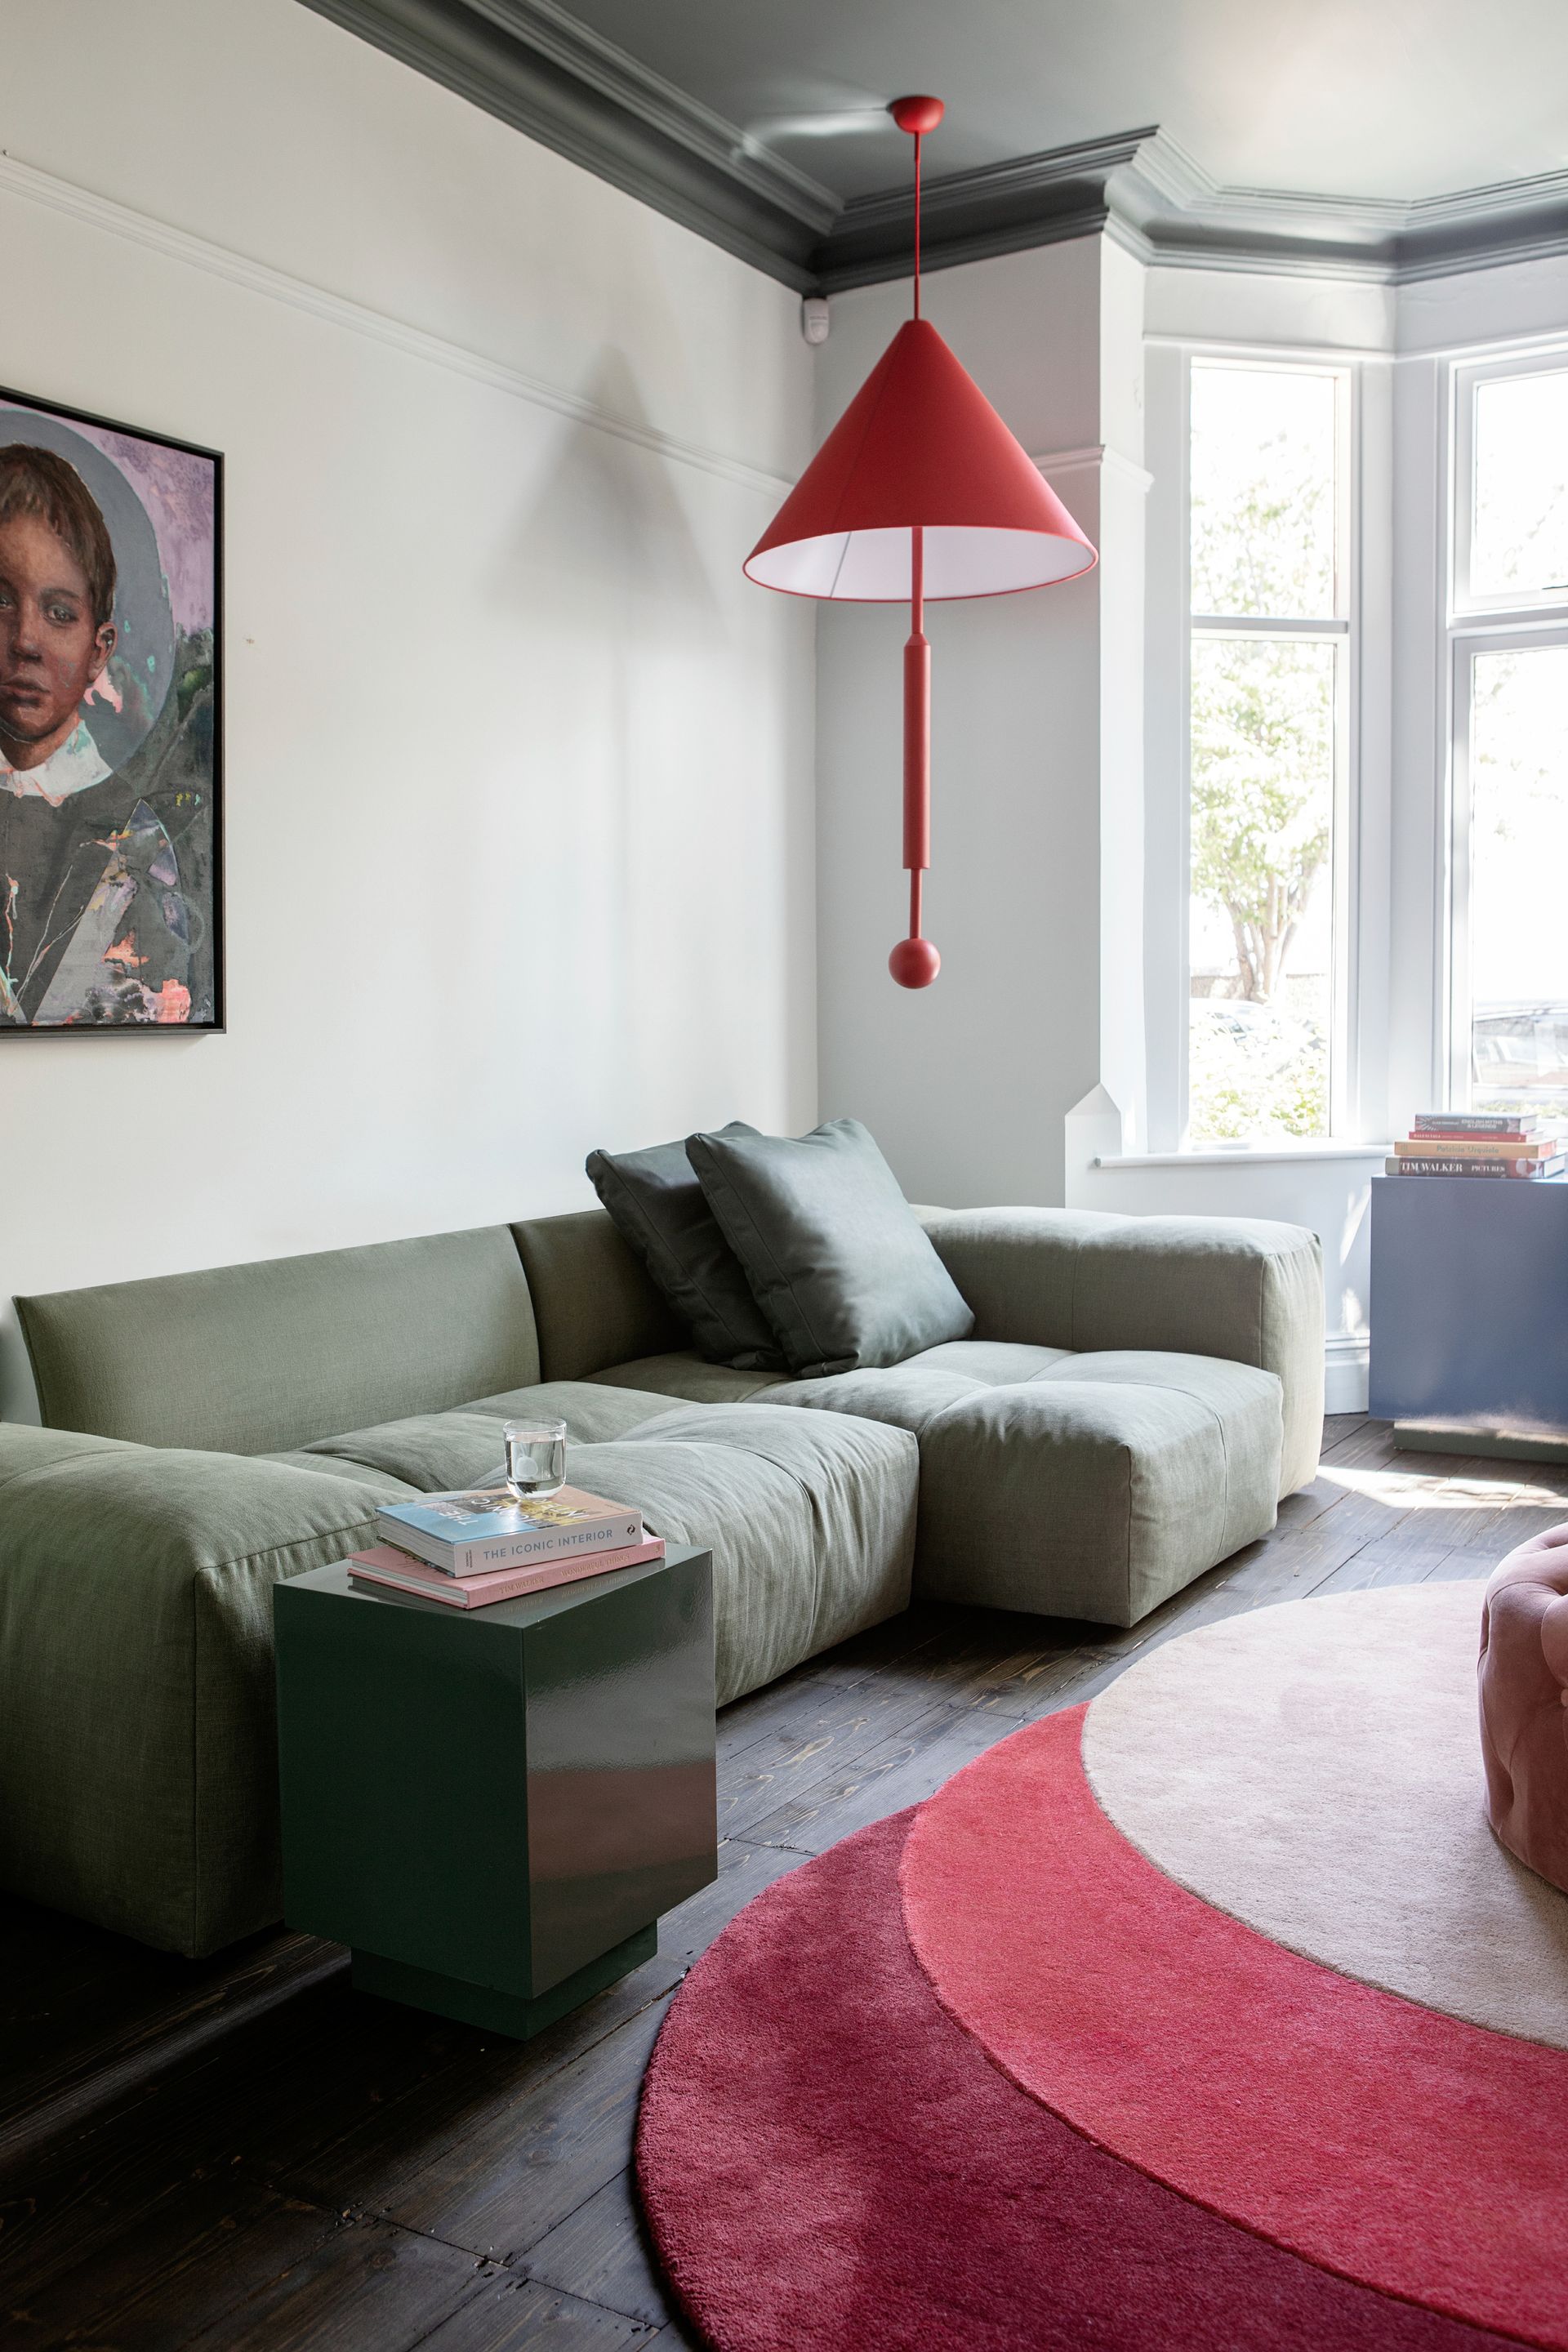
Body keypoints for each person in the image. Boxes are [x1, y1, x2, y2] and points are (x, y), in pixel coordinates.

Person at [0, 442, 190, 1023]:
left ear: (99, 649)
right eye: (0, 599)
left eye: (60, 613)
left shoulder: (136, 836)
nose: (26, 640)